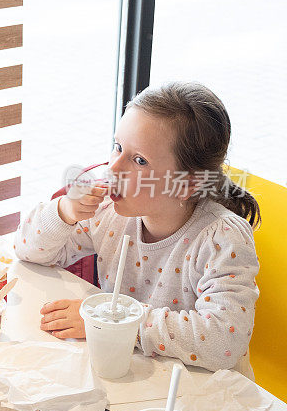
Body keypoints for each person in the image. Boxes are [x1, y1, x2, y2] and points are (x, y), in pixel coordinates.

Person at [15, 82, 260, 376]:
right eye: (117, 147)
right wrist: (64, 212)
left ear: (186, 185)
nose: (113, 169)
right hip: (131, 375)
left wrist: (113, 321)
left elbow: (223, 341)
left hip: (208, 399)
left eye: (139, 160)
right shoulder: (109, 213)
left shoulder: (224, 239)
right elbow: (29, 253)